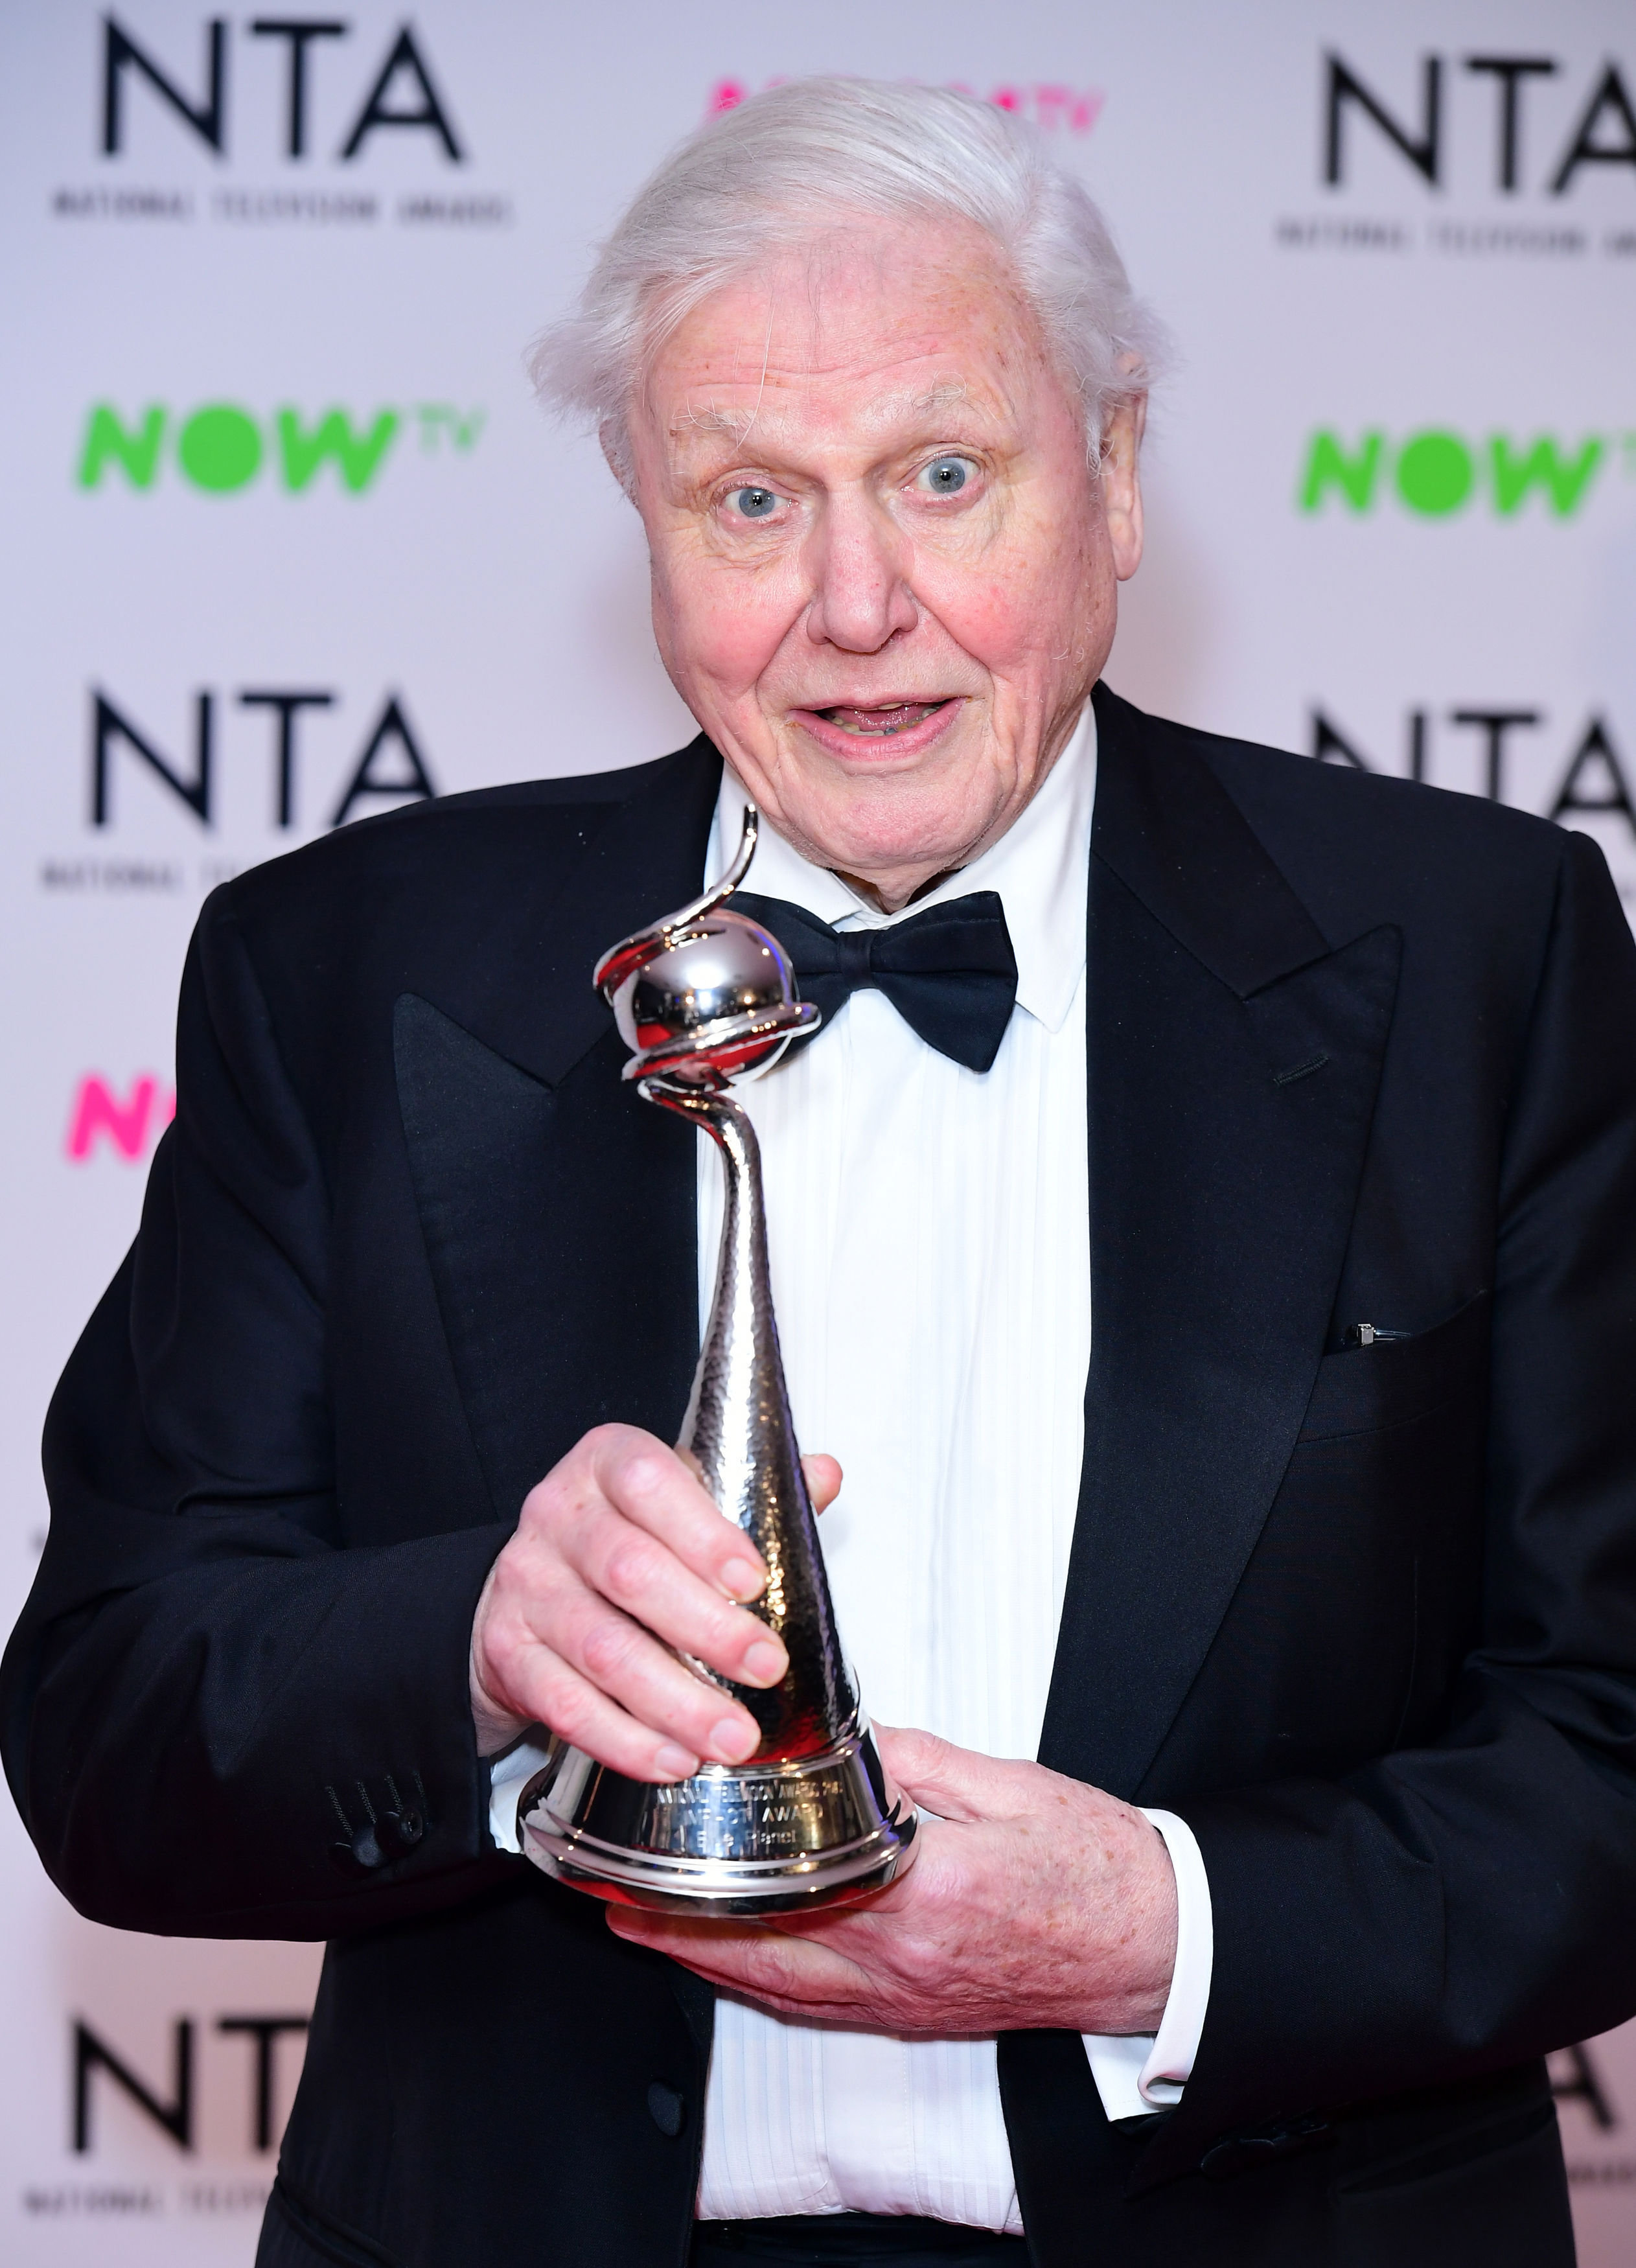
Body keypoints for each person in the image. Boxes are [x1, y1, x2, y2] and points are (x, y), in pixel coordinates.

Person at [6, 76, 1636, 2268]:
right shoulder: (347, 969)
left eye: (944, 476)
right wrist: (479, 1638)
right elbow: (108, 1723)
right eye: (751, 498)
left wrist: (1159, 1924)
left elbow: (1611, 1740)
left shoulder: (1479, 954)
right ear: (644, 524)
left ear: (1119, 476)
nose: (857, 603)